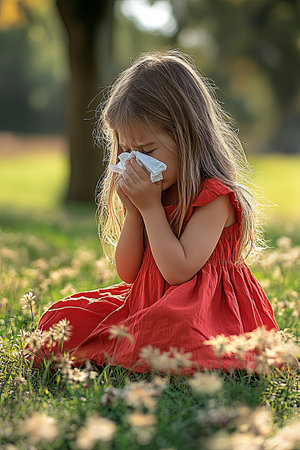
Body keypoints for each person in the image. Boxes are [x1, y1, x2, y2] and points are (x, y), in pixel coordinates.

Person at [24, 50, 279, 375]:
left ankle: (130, 351)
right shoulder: (154, 193)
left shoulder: (214, 197)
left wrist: (151, 209)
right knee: (63, 316)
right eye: (127, 150)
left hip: (203, 312)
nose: (135, 161)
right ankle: (128, 348)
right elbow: (129, 273)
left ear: (188, 138)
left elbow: (178, 271)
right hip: (146, 301)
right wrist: (134, 213)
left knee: (172, 327)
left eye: (147, 151)